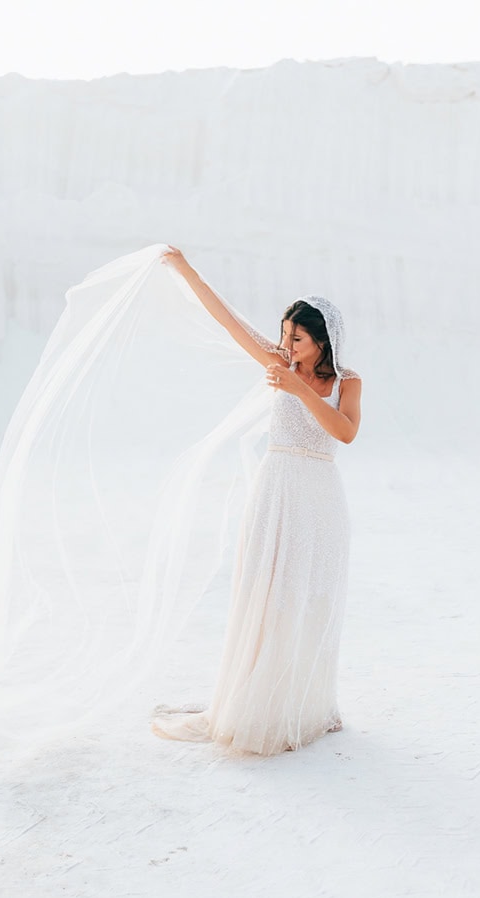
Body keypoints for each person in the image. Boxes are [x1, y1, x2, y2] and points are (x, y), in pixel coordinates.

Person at [151, 246, 362, 756]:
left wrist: (299, 387)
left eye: (298, 338)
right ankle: (260, 700)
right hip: (276, 488)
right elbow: (228, 321)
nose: (287, 344)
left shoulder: (346, 381)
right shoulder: (277, 361)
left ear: (322, 341)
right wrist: (185, 269)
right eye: (285, 334)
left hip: (321, 497)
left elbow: (345, 433)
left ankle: (308, 703)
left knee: (312, 598)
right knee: (268, 594)